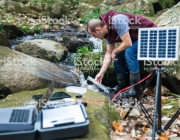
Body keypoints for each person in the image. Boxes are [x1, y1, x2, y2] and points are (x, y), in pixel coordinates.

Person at [87, 10, 156, 98]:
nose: (94, 37)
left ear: (98, 29)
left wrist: (115, 51)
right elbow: (109, 54)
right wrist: (101, 73)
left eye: (93, 35)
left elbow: (127, 43)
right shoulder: (107, 33)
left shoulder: (117, 20)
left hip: (151, 34)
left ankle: (135, 89)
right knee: (118, 56)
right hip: (137, 38)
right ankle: (122, 86)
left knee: (129, 52)